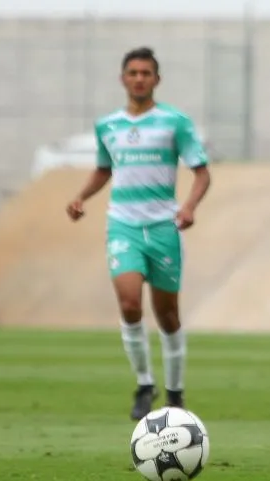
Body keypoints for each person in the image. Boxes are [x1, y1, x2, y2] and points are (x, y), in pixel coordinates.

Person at [66, 47, 211, 420]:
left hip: (163, 226)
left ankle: (175, 393)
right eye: (133, 72)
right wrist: (81, 196)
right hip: (123, 225)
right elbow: (103, 169)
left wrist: (189, 206)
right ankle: (145, 383)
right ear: (123, 78)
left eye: (146, 72)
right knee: (130, 304)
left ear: (156, 79)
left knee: (168, 316)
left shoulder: (174, 122)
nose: (139, 78)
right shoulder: (107, 126)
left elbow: (201, 172)